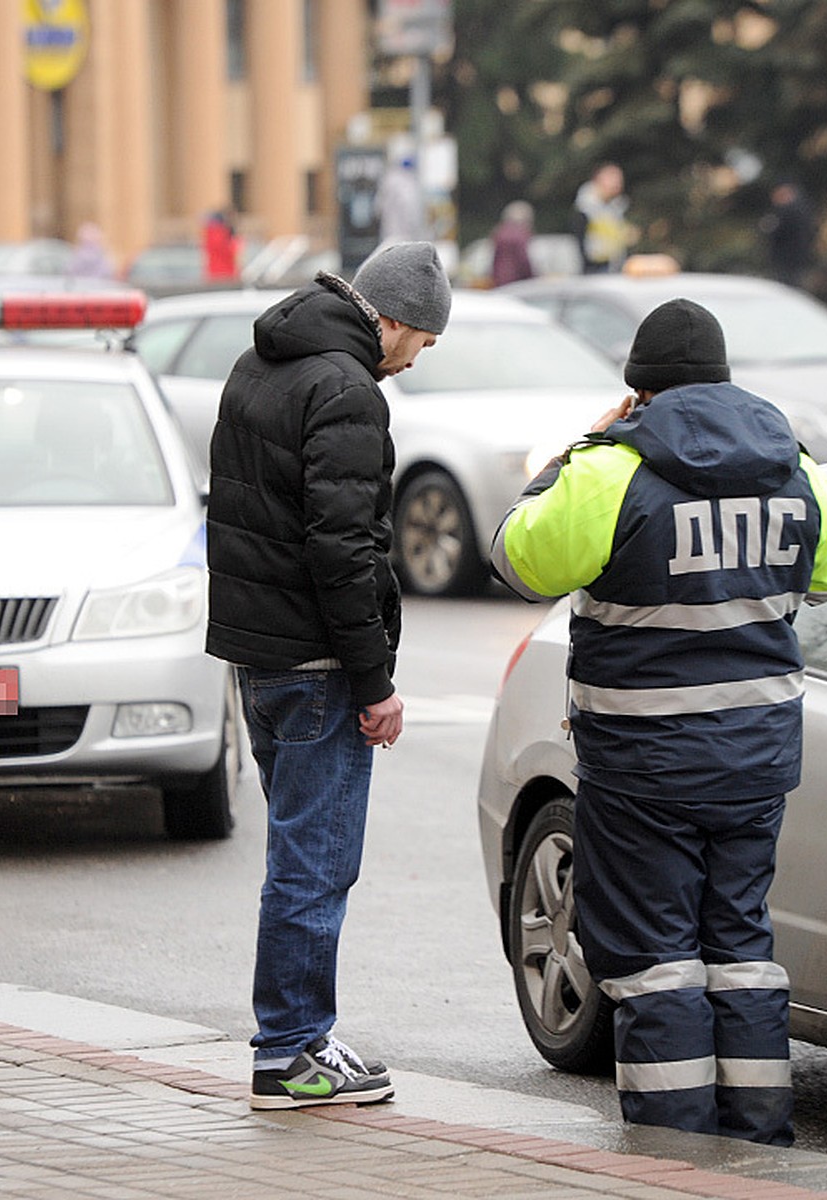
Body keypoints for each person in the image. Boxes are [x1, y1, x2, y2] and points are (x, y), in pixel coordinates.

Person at [491, 298, 827, 1146]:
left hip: (643, 769)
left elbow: (518, 558)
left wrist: (573, 453)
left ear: (639, 393)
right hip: (757, 763)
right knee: (740, 947)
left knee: (656, 963)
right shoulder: (792, 463)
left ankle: (675, 1158)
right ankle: (758, 1142)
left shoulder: (609, 469)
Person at [205, 242, 452, 1110]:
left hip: (260, 657)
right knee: (314, 867)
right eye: (417, 339)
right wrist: (375, 681)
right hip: (317, 669)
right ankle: (290, 1051)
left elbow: (242, 520)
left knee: (296, 859)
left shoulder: (257, 362)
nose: (414, 358)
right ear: (386, 318)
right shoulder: (346, 390)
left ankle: (302, 1039)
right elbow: (343, 550)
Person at [571, 162, 638, 273]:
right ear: (598, 180)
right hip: (593, 271)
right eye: (612, 178)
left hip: (614, 267)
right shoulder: (584, 209)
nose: (617, 183)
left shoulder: (617, 208)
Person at [760, 180, 815, 289]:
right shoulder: (802, 210)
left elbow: (773, 230)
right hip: (796, 258)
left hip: (786, 259)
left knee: (786, 287)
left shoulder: (788, 212)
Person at [490, 200, 535, 287]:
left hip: (499, 280)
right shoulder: (521, 235)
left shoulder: (499, 234)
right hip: (518, 282)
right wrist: (532, 277)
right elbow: (524, 260)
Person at [201, 209, 241, 282]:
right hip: (227, 275)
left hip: (213, 274)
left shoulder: (209, 235)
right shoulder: (225, 236)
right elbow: (234, 254)